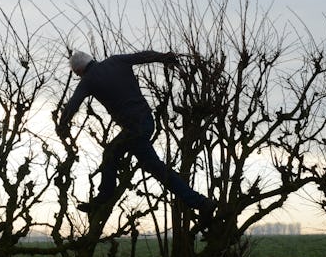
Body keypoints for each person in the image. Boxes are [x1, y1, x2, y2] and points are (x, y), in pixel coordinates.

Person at [56, 49, 215, 220]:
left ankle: (200, 202)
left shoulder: (88, 81)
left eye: (77, 74)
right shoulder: (116, 60)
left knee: (125, 158)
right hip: (146, 121)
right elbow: (143, 56)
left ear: (79, 71)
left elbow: (73, 104)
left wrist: (63, 125)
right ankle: (200, 203)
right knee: (130, 159)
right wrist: (165, 57)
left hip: (133, 130)